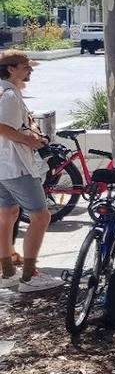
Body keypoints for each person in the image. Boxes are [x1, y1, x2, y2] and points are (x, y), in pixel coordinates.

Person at [0, 51, 59, 292]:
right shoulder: (10, 95)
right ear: (11, 69)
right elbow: (2, 127)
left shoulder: (5, 91)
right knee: (40, 216)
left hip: (3, 166)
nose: (30, 71)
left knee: (7, 214)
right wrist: (31, 141)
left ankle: (7, 272)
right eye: (26, 67)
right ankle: (29, 275)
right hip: (16, 165)